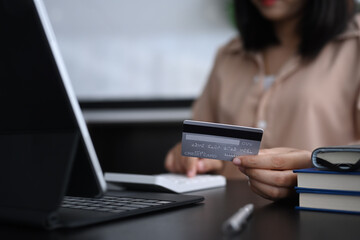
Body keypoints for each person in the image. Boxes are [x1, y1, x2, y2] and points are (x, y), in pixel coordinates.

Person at [165, 0, 360, 201]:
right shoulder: (229, 54)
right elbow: (201, 141)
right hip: (226, 216)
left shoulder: (355, 45)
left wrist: (315, 166)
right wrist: (190, 156)